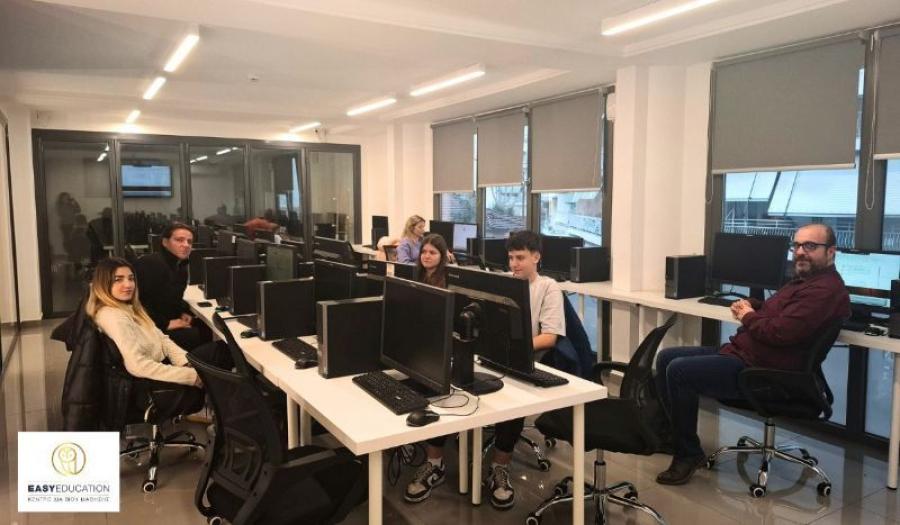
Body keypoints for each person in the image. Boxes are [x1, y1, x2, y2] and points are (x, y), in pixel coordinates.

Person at [654, 223, 850, 486]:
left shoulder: (823, 291)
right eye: (797, 245)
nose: (800, 252)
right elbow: (775, 310)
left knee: (678, 370)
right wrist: (753, 305)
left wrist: (747, 316)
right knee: (666, 357)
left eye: (810, 246)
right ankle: (676, 438)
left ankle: (687, 454)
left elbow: (778, 333)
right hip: (746, 356)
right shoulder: (803, 282)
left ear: (831, 252)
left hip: (765, 373)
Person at [404, 230, 565, 509]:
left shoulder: (548, 288)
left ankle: (499, 468)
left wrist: (514, 350)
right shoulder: (502, 283)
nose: (513, 264)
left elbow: (549, 337)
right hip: (490, 356)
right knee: (446, 389)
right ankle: (434, 463)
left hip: (524, 363)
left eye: (520, 258)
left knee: (512, 406)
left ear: (536, 257)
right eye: (510, 258)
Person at [86, 257, 230, 417]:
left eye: (131, 278)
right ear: (104, 284)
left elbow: (162, 338)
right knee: (222, 367)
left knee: (221, 350)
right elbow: (138, 366)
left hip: (157, 368)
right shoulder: (114, 317)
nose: (128, 285)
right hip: (148, 388)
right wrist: (192, 376)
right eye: (118, 280)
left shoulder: (128, 307)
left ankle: (224, 415)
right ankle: (229, 420)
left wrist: (185, 362)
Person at [134, 223, 212, 351]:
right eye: (179, 240)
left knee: (205, 327)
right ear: (165, 242)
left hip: (164, 319)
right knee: (204, 334)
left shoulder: (179, 266)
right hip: (150, 329)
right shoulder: (150, 264)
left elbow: (169, 298)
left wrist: (182, 312)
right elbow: (137, 303)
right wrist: (165, 324)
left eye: (189, 242)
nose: (186, 245)